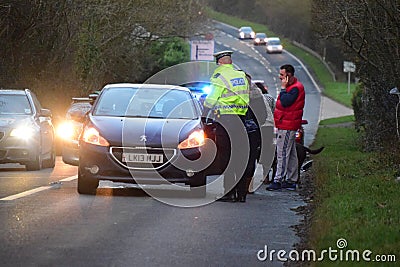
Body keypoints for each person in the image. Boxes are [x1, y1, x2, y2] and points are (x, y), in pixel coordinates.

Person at [203, 50, 250, 202]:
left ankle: (228, 192)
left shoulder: (219, 76)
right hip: (240, 120)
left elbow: (211, 100)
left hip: (225, 121)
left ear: (220, 62)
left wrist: (204, 114)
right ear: (230, 61)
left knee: (225, 157)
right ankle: (241, 193)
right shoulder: (241, 75)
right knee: (240, 156)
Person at [267, 64, 305, 191]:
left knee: (282, 152)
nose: (279, 77)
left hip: (287, 125)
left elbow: (285, 102)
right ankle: (292, 179)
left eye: (282, 75)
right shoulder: (293, 87)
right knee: (292, 153)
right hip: (286, 123)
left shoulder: (294, 89)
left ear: (288, 76)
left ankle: (278, 180)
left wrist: (283, 89)